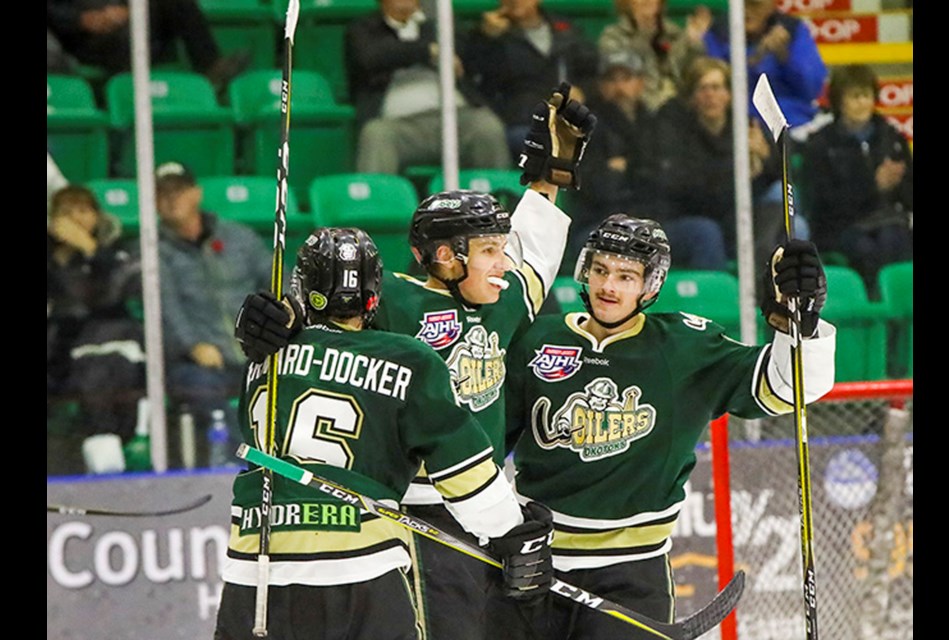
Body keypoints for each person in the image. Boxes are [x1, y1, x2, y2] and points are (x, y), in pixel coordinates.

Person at [232, 85, 596, 640]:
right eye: (492, 250)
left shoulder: (502, 299)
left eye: (503, 248)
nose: (506, 262)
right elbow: (328, 309)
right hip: (411, 512)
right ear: (448, 256)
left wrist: (550, 176)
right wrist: (277, 314)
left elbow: (538, 253)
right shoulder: (397, 301)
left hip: (484, 510)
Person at [503, 213, 836, 639]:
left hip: (631, 574)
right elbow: (486, 444)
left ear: (651, 285)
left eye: (626, 276)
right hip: (534, 562)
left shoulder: (685, 347)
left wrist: (799, 328)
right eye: (601, 270)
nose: (608, 286)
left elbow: (786, 388)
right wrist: (497, 531)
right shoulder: (538, 340)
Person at [214, 226, 555, 640]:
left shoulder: (262, 355)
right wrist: (512, 532)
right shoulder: (409, 359)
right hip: (358, 564)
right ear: (376, 292)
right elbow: (467, 475)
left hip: (253, 563)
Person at [154, 161, 272, 468]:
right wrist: (193, 345)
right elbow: (165, 308)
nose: (171, 199)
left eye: (178, 191)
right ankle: (239, 468)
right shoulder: (153, 249)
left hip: (255, 352)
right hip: (199, 360)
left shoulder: (239, 238)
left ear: (196, 194)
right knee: (201, 388)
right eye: (162, 194)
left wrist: (275, 331)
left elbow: (277, 282)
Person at [655, 55, 790, 274]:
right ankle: (720, 298)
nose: (711, 96)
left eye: (717, 88)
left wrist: (766, 157)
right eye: (703, 88)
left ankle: (782, 294)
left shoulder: (747, 126)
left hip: (736, 216)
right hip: (690, 216)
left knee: (789, 214)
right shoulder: (677, 130)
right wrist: (739, 170)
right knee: (707, 232)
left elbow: (778, 177)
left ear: (729, 94)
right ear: (691, 96)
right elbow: (688, 186)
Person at [346, 0, 512, 175]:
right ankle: (376, 201)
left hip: (456, 119)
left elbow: (468, 56)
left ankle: (497, 198)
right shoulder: (364, 28)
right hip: (400, 126)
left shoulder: (440, 24)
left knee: (487, 127)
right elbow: (370, 57)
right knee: (375, 135)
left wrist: (485, 35)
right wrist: (428, 51)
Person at [47, 184, 144, 475]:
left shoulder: (117, 250)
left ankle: (109, 458)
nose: (75, 219)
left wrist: (90, 249)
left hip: (114, 351)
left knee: (104, 358)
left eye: (83, 210)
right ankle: (107, 458)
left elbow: (124, 292)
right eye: (66, 212)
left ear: (97, 216)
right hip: (59, 353)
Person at [801, 64, 913, 294]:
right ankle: (875, 314)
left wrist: (898, 183)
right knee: (867, 248)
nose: (862, 103)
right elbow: (821, 202)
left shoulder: (891, 138)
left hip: (888, 220)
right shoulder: (821, 145)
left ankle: (900, 315)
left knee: (896, 239)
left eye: (867, 95)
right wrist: (873, 186)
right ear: (839, 101)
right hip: (841, 226)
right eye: (855, 96)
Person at [462, 0, 599, 160]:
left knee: (604, 139)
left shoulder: (564, 29)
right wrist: (484, 38)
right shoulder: (488, 35)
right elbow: (471, 74)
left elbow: (591, 73)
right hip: (518, 121)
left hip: (566, 118)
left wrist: (582, 90)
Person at [563, 49, 660, 271]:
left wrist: (626, 168)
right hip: (600, 222)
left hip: (651, 219)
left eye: (626, 78)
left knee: (701, 232)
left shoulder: (656, 123)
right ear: (600, 86)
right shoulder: (586, 128)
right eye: (611, 80)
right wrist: (637, 171)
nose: (619, 88)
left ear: (641, 83)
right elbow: (594, 186)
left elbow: (666, 179)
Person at [46, 0, 249, 94]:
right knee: (127, 37)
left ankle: (211, 68)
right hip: (82, 37)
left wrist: (128, 10)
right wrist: (81, 20)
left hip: (126, 18)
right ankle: (128, 97)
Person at [702, 0, 828, 141]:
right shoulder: (719, 32)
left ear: (770, 6)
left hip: (792, 124)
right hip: (736, 127)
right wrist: (756, 58)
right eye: (742, 5)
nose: (746, 12)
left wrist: (785, 57)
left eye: (754, 4)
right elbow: (715, 85)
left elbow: (812, 89)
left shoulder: (792, 29)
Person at [596, 0, 711, 113]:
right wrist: (642, 35)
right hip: (634, 110)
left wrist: (692, 43)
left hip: (675, 109)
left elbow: (687, 75)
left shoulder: (673, 33)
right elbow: (621, 77)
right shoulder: (612, 37)